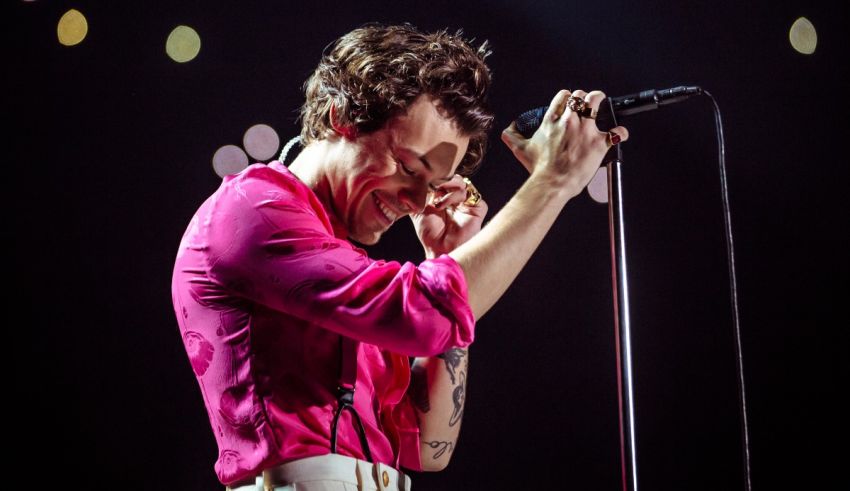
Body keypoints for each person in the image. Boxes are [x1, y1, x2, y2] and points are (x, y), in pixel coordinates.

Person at [171, 23, 628, 491]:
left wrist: (446, 254)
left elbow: (429, 448)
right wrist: (551, 183)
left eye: (430, 185)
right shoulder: (252, 211)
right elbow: (422, 314)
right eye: (409, 168)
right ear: (341, 117)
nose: (415, 199)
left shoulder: (341, 259)